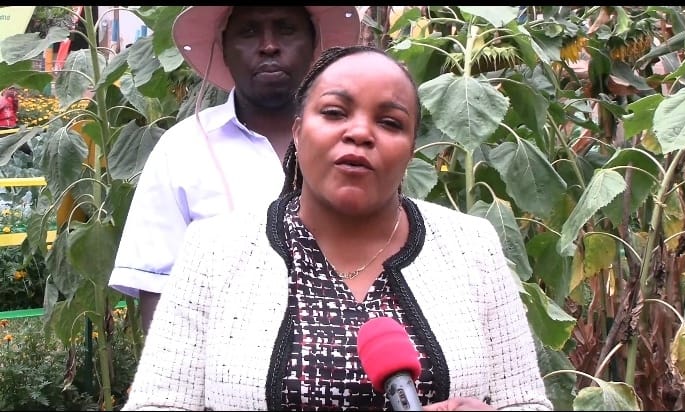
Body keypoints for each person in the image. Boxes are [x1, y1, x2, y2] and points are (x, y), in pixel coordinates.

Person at [122, 45, 553, 411]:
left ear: (411, 150)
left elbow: (524, 399)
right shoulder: (214, 250)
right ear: (298, 131)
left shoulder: (470, 246)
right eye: (334, 112)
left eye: (390, 123)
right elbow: (159, 402)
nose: (360, 133)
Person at [107, 6, 361, 332]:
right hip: (222, 376)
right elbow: (159, 292)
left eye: (286, 29)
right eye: (248, 32)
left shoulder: (354, 142)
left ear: (314, 43)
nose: (269, 45)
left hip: (346, 369)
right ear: (223, 49)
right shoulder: (182, 150)